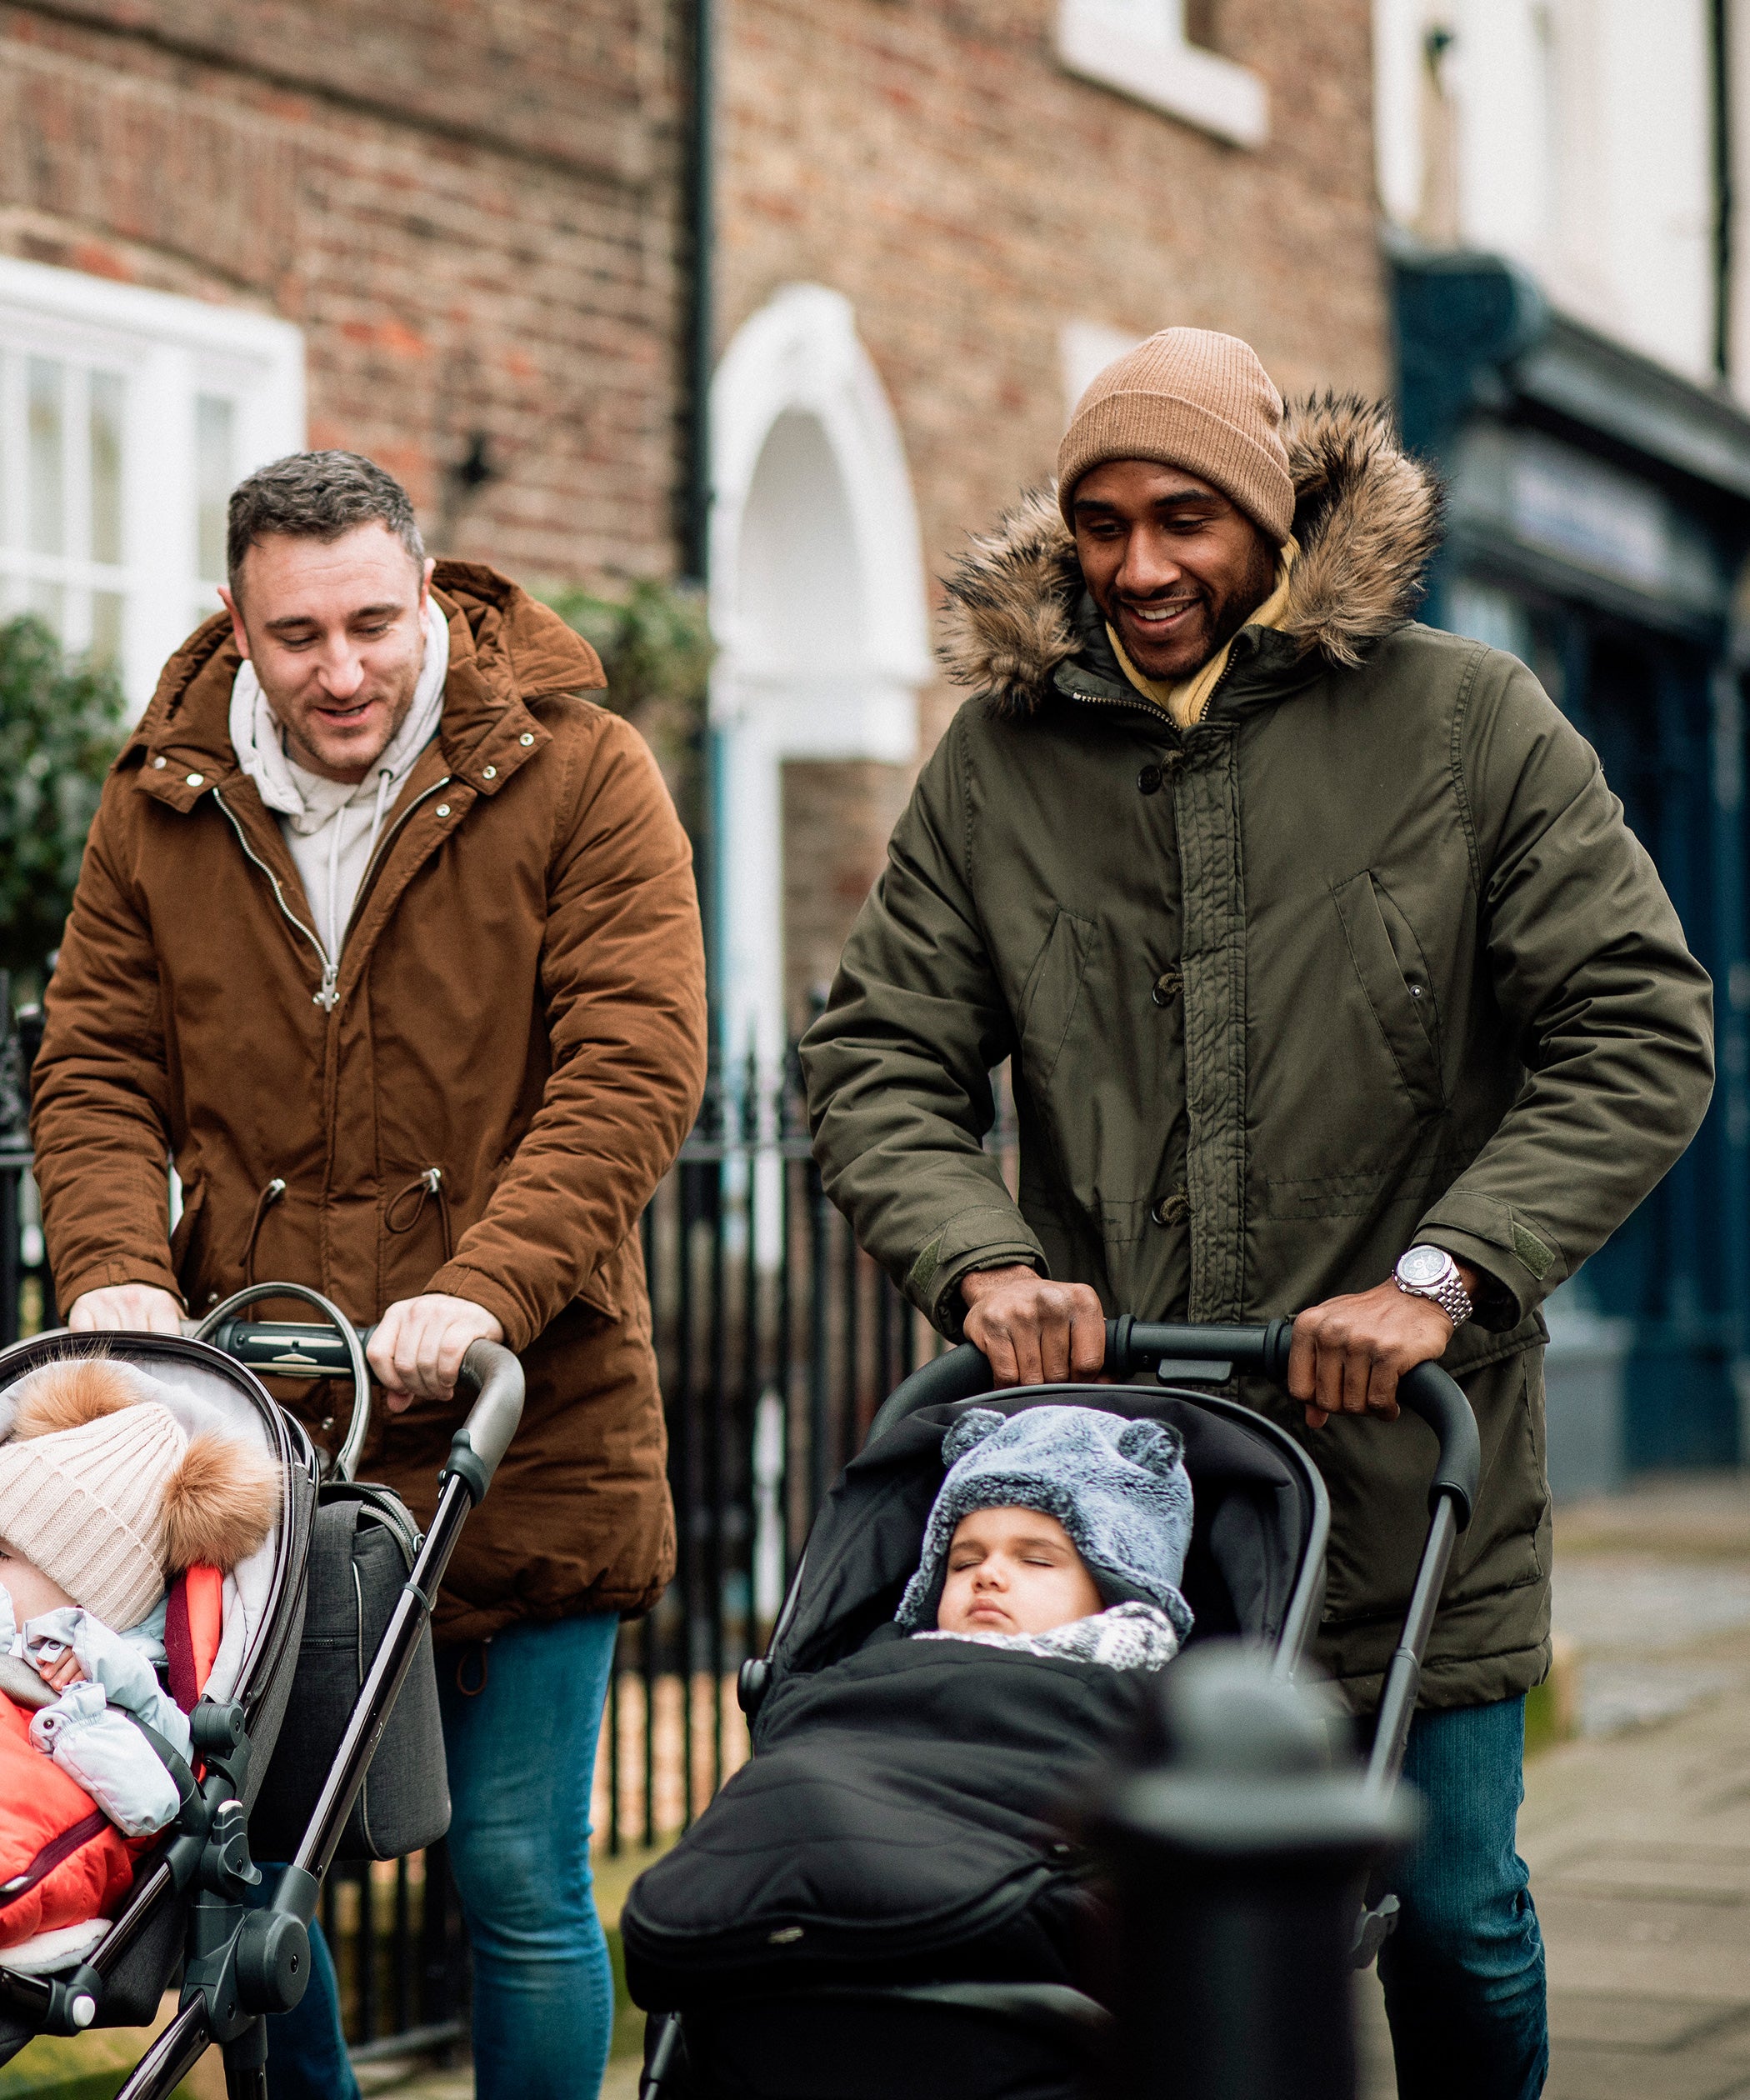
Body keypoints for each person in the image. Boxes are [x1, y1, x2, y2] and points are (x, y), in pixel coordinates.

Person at [800, 328, 1715, 2098]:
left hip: (1396, 1476)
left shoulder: (1468, 726)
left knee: (1451, 1917)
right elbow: (878, 1059)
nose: (1141, 567)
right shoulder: (1001, 768)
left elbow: (1636, 1025)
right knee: (1108, 1934)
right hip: (1114, 1485)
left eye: (1186, 518)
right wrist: (983, 1256)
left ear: (1279, 516)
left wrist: (1443, 1279)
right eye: (1102, 523)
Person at [29, 452, 708, 2100]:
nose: (343, 673)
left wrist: (483, 1287)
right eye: (298, 636)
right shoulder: (162, 800)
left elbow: (636, 1057)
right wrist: (119, 1270)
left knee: (518, 1877)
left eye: (374, 625)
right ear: (234, 625)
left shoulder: (579, 773)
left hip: (519, 1409)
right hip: (267, 1436)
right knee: (244, 1877)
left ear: (429, 594)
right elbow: (101, 1063)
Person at [898, 1403, 1193, 1669]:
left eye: (1035, 1561)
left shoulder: (1148, 1710)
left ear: (1115, 1592)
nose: (987, 1573)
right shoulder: (891, 1668)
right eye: (964, 1563)